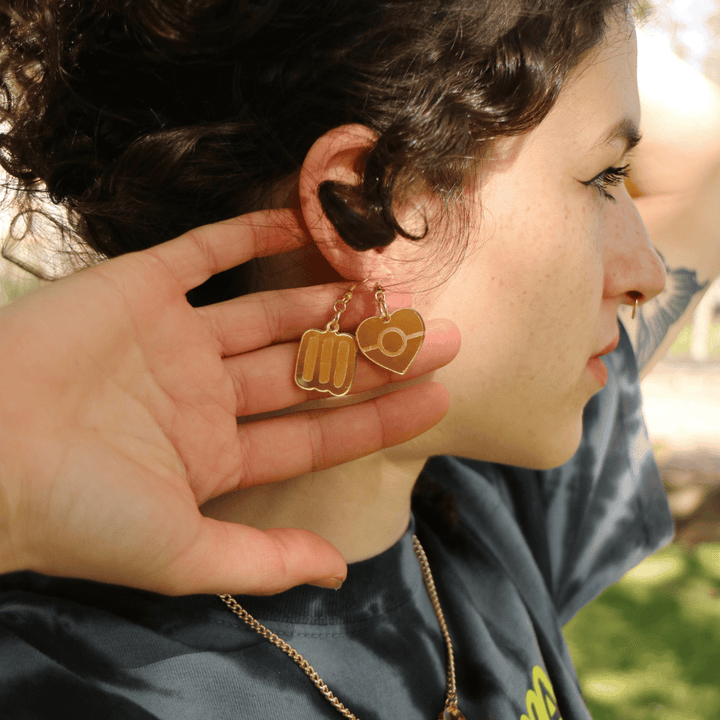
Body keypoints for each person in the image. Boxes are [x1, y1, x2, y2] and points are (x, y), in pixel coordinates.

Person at [0, 1, 719, 718]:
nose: (645, 275)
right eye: (602, 177)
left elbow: (704, 162)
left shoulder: (487, 512)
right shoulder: (63, 683)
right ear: (366, 201)